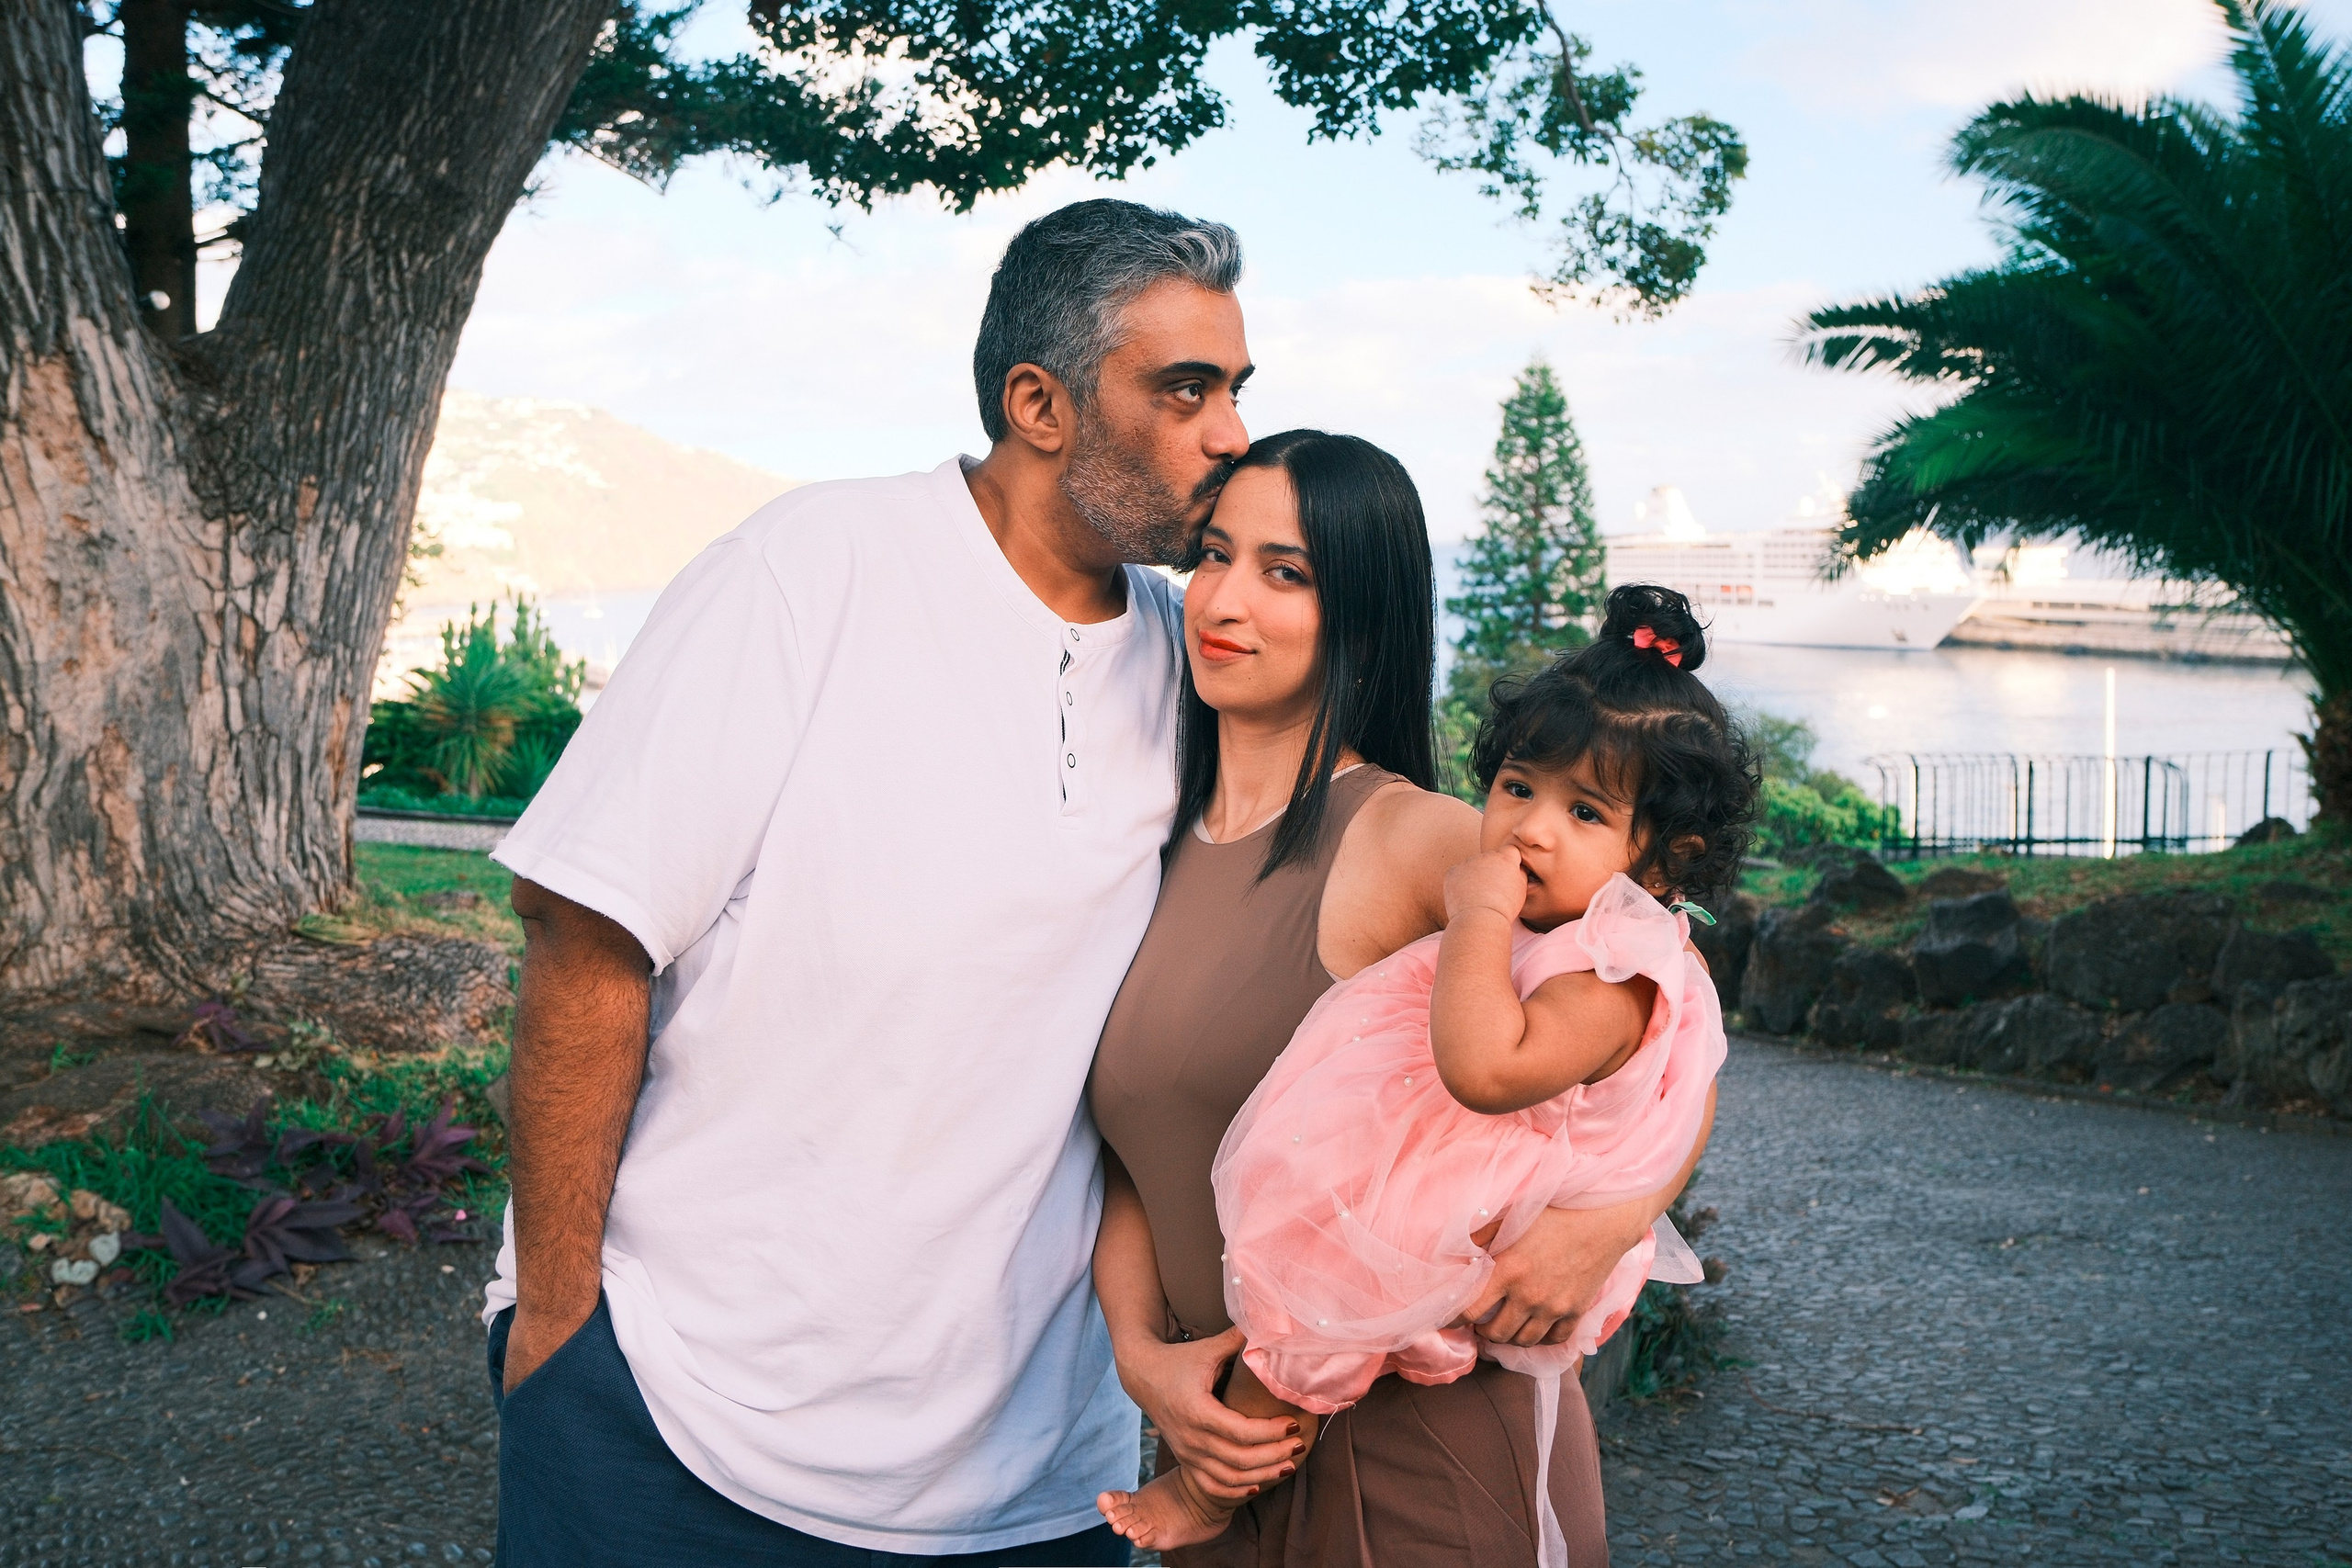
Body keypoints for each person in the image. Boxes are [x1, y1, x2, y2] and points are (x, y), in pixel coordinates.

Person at [480, 198, 1250, 1564]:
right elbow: (588, 936)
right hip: (683, 1421)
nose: (1230, 435)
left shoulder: (1200, 665)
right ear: (1040, 403)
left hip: (1037, 1479)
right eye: (1185, 390)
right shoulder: (810, 570)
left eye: (1235, 391)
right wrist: (557, 1329)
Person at [1088, 436, 1726, 1567]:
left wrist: (1606, 1225)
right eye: (1214, 556)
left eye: (1285, 573)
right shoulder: (1143, 845)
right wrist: (1144, 1357)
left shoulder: (1410, 835)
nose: (1225, 600)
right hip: (1223, 1449)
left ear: (1365, 618)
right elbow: (1137, 1146)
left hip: (1421, 1444)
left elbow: (1664, 1015)